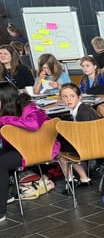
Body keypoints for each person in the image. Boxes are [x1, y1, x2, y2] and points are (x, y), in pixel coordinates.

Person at [0, 83, 59, 221]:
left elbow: (33, 125)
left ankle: (1, 212)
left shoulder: (29, 107)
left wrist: (4, 120)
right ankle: (6, 195)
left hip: (39, 148)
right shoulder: (7, 111)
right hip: (20, 148)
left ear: (6, 99)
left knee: (1, 163)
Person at [57, 84, 98, 189]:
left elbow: (83, 136)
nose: (68, 99)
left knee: (58, 150)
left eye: (72, 96)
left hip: (89, 146)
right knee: (64, 148)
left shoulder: (83, 113)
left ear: (79, 97)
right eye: (64, 96)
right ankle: (84, 178)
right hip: (93, 144)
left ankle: (70, 181)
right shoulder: (80, 109)